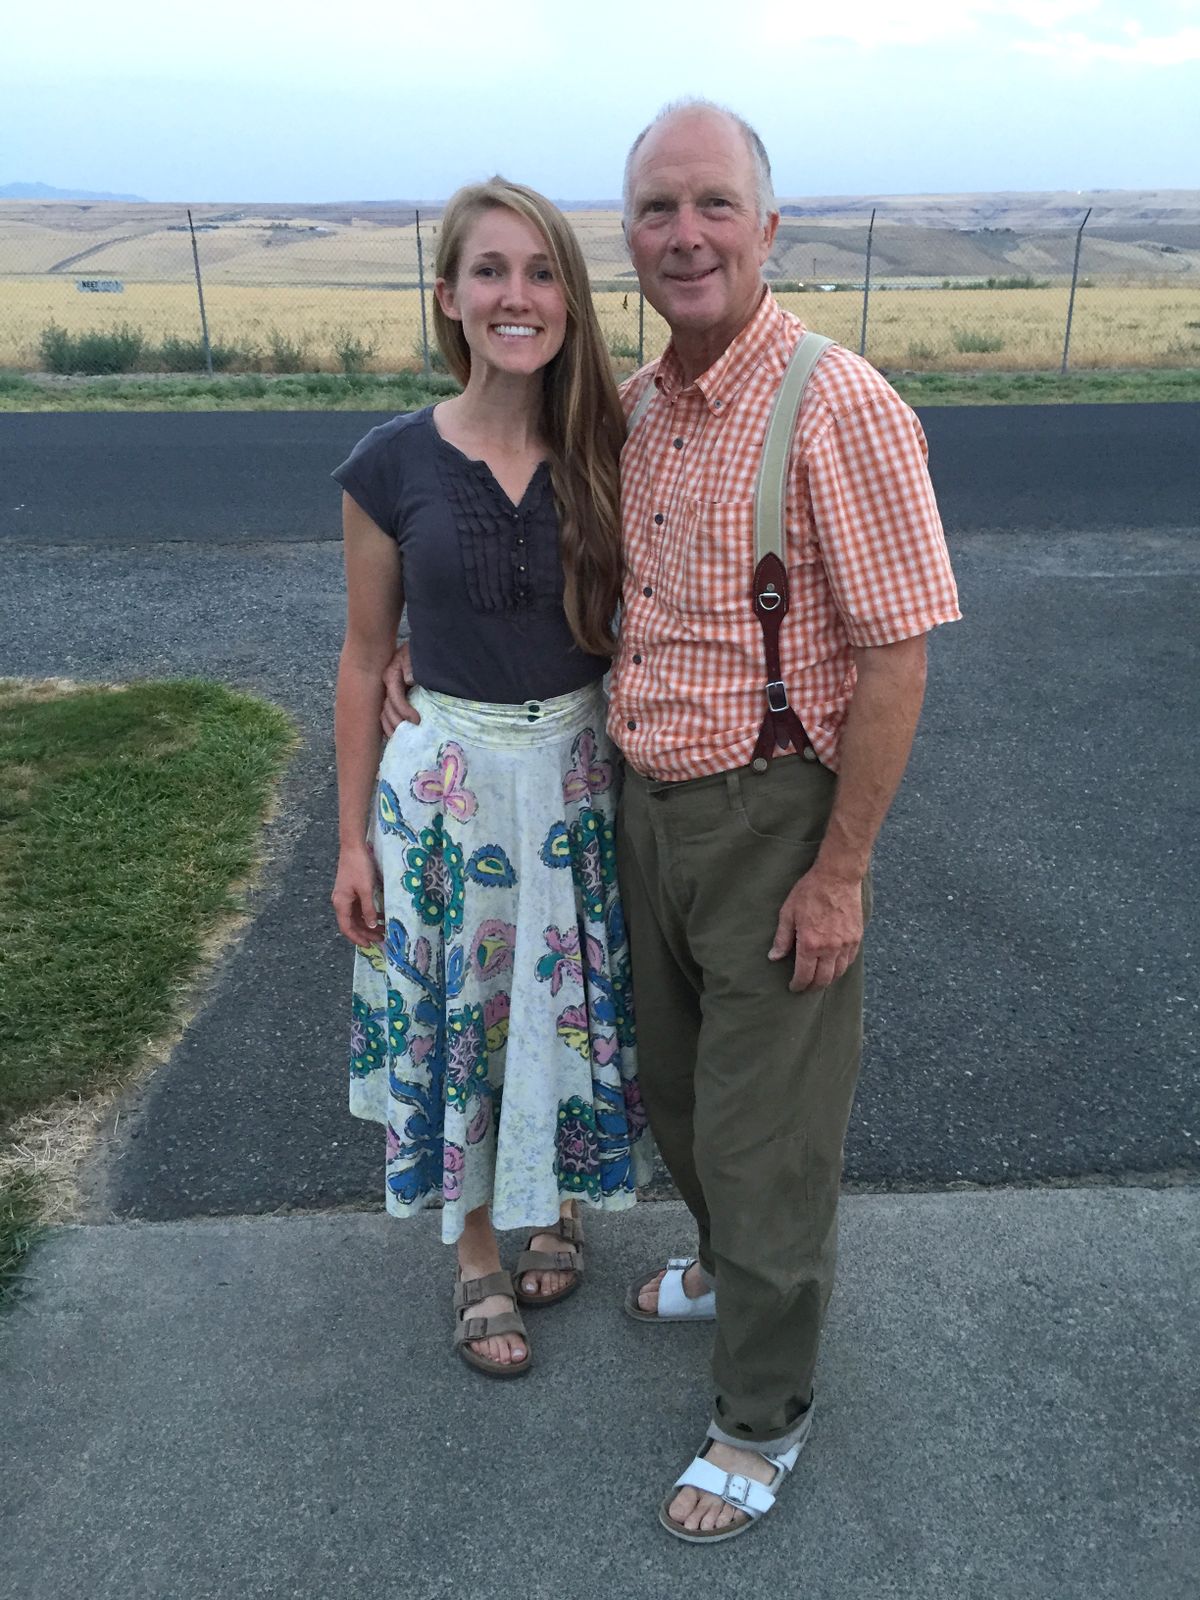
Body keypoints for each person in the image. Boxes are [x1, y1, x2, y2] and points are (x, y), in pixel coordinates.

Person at [383, 102, 960, 1539]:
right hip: (638, 807)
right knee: (681, 1094)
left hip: (774, 819)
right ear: (626, 241)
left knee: (771, 1135)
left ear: (768, 228)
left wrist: (842, 872)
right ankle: (718, 1261)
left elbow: (899, 653)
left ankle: (762, 1415)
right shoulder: (639, 405)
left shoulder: (840, 405)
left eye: (713, 205)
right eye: (655, 209)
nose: (684, 234)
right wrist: (427, 650)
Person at [331, 178, 651, 1381]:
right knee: (462, 1023)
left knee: (563, 1006)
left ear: (569, 295)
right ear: (450, 299)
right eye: (490, 273)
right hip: (444, 790)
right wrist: (351, 839)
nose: (516, 296)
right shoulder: (388, 463)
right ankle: (474, 1252)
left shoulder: (612, 442)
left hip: (576, 774)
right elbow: (367, 656)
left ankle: (559, 1203)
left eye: (540, 271)